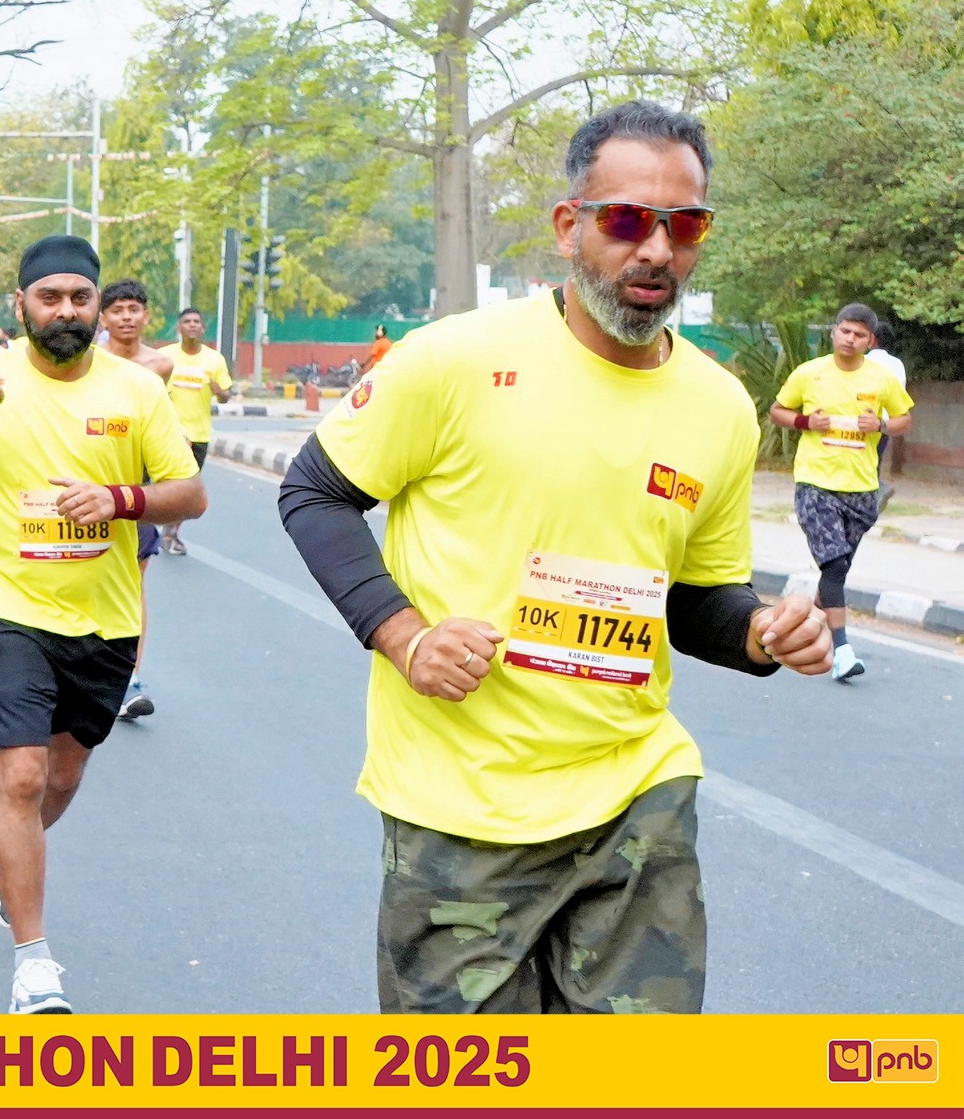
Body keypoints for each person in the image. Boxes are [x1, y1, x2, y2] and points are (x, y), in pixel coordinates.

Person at [279, 100, 832, 1014]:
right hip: (463, 807)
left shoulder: (719, 408)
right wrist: (406, 637)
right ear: (570, 226)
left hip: (636, 793)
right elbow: (314, 493)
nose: (656, 250)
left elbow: (695, 598)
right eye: (627, 220)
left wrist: (764, 634)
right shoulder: (453, 362)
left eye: (684, 225)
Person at [0, 235, 207, 1014]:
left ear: (97, 306)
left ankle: (11, 865)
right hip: (10, 608)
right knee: (21, 777)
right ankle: (34, 965)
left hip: (105, 617)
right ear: (20, 304)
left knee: (61, 777)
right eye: (49, 297)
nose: (66, 311)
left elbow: (190, 494)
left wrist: (120, 500)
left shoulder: (137, 388)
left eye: (79, 298)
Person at [770, 303, 913, 683]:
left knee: (838, 568)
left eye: (859, 335)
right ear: (834, 332)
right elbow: (777, 411)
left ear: (870, 341)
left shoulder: (882, 378)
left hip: (862, 488)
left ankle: (806, 625)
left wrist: (880, 424)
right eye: (845, 331)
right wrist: (806, 421)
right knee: (833, 566)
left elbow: (904, 419)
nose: (850, 339)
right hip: (815, 483)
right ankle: (842, 651)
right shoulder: (809, 373)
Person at [98, 278, 174, 721]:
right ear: (102, 318)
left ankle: (130, 677)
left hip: (137, 484)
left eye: (133, 310)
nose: (126, 318)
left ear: (146, 316)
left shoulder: (159, 365)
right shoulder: (90, 362)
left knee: (133, 580)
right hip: (91, 477)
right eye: (117, 310)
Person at [156, 307, 232, 554]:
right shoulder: (164, 356)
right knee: (168, 485)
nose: (191, 325)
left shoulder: (214, 360)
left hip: (199, 434)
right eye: (186, 321)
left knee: (186, 489)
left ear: (202, 328)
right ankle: (164, 532)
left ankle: (170, 531)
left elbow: (226, 396)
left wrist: (220, 392)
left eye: (196, 321)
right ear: (179, 328)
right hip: (167, 434)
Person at [867, 323, 908, 511]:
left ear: (872, 338)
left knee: (864, 461)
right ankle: (874, 495)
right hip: (888, 422)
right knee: (876, 458)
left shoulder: (865, 362)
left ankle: (878, 490)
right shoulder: (897, 364)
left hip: (867, 420)